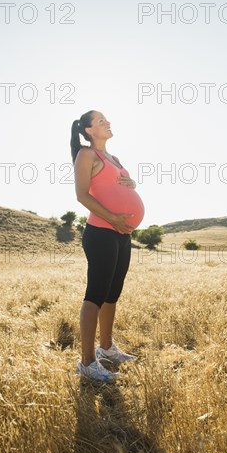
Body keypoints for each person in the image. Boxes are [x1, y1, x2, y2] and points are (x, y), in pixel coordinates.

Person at [70, 110, 145, 382]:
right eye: (101, 121)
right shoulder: (86, 155)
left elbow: (123, 186)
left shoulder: (114, 158)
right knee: (96, 294)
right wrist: (112, 217)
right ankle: (88, 363)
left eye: (107, 120)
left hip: (121, 234)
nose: (107, 123)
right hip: (101, 232)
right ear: (89, 130)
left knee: (113, 293)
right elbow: (81, 195)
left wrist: (133, 183)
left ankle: (107, 348)